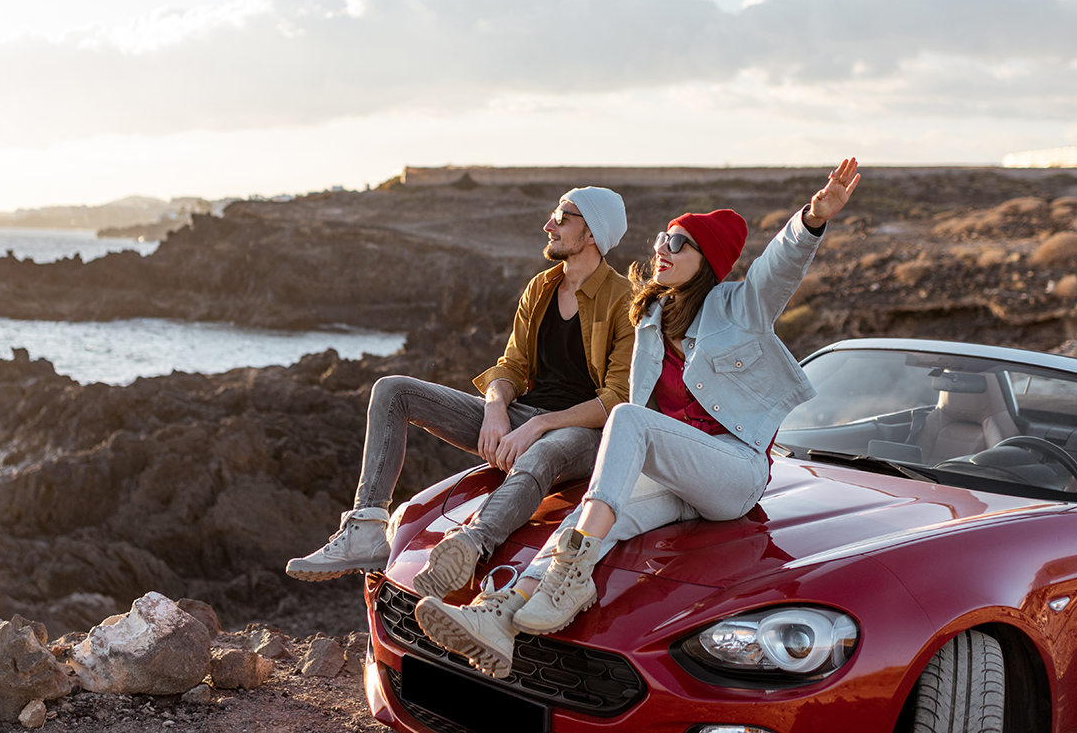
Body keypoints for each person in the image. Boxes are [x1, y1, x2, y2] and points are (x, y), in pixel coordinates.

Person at [415, 159, 862, 678]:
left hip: (733, 473)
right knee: (592, 515)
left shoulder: (740, 308)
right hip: (675, 469)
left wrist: (811, 218)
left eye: (677, 244)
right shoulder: (650, 319)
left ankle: (572, 577)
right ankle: (500, 616)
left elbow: (777, 267)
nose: (661, 251)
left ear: (706, 260)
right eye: (659, 240)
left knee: (627, 420)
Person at [285, 187, 638, 599]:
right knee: (392, 390)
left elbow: (617, 396)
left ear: (592, 233)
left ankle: (470, 546)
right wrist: (495, 406)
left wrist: (539, 425)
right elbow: (512, 366)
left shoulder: (624, 300)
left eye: (562, 218)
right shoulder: (540, 288)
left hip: (583, 434)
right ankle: (365, 528)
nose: (549, 225)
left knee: (541, 451)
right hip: (523, 417)